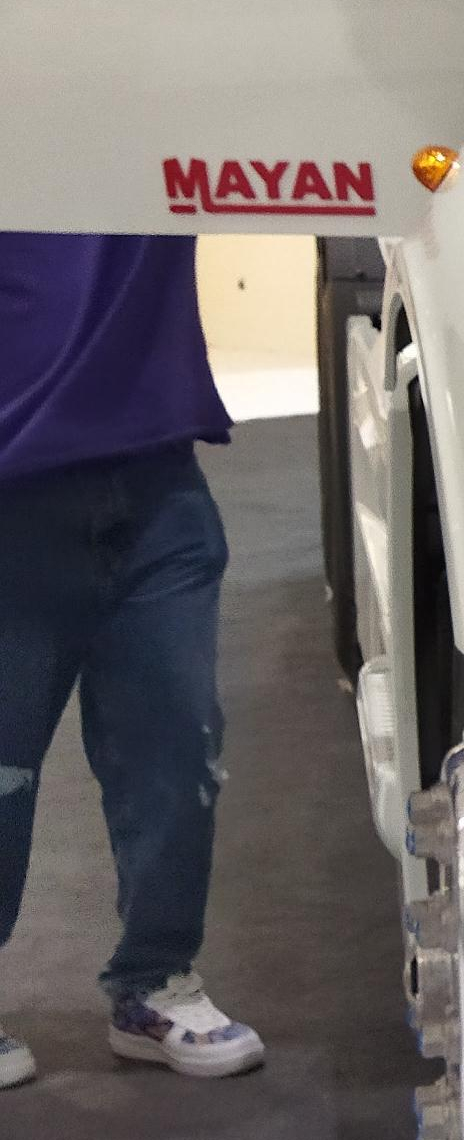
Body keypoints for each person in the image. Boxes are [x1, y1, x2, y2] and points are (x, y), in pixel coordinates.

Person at [0, 234, 264, 1087]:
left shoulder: (140, 148)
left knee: (177, 751)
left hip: (156, 483)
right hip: (9, 489)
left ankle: (155, 979)